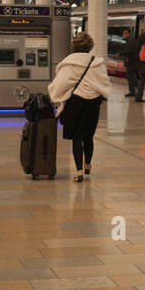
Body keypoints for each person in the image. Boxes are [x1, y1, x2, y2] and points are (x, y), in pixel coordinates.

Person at [48, 31, 113, 182]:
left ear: (74, 45)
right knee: (88, 135)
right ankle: (88, 164)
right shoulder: (96, 62)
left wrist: (56, 97)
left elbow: (61, 83)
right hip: (93, 103)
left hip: (75, 103)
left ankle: (79, 172)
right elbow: (103, 83)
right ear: (90, 46)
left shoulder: (69, 62)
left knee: (77, 137)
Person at [121, 28, 139, 97]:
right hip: (131, 62)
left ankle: (134, 91)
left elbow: (128, 51)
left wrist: (120, 53)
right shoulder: (130, 41)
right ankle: (134, 91)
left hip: (131, 62)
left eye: (125, 33)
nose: (124, 35)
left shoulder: (131, 41)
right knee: (131, 77)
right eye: (123, 33)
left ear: (129, 34)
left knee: (131, 78)